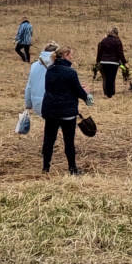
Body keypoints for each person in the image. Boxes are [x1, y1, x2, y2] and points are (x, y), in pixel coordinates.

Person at [39, 46, 90, 175]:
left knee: (49, 140)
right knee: (69, 142)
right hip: (67, 112)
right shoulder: (71, 72)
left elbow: (52, 89)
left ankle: (45, 168)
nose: (72, 57)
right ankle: (72, 169)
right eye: (71, 54)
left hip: (51, 111)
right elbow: (78, 91)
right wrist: (87, 95)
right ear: (66, 55)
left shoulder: (50, 70)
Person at [24, 43, 54, 119]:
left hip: (37, 103)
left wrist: (28, 104)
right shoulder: (58, 66)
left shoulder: (34, 65)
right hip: (52, 103)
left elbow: (29, 86)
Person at [94, 28, 125, 96]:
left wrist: (98, 61)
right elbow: (120, 53)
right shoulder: (117, 41)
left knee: (106, 78)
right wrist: (124, 62)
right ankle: (111, 94)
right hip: (114, 63)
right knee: (112, 78)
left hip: (104, 62)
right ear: (114, 34)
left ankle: (106, 93)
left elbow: (100, 52)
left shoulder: (103, 40)